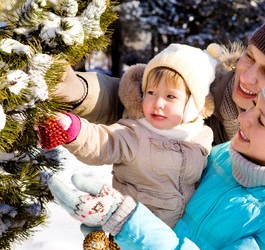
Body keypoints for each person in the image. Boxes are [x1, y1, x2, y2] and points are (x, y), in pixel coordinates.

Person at [52, 15, 265, 250]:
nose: (248, 76)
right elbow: (136, 95)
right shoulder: (204, 91)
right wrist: (77, 90)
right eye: (249, 57)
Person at [39, 43, 220, 228]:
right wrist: (74, 130)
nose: (158, 103)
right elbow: (103, 141)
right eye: (151, 92)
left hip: (181, 238)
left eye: (170, 96)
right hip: (133, 232)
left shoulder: (202, 136)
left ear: (192, 105)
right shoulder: (134, 132)